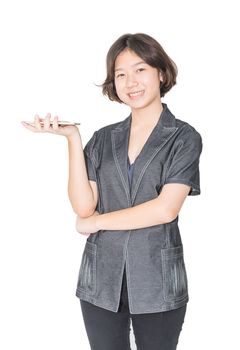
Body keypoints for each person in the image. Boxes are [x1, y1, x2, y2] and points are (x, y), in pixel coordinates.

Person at [22, 33, 202, 350]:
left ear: (161, 72)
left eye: (140, 69)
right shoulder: (104, 139)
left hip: (157, 279)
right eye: (120, 74)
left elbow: (165, 209)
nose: (130, 82)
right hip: (100, 280)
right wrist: (73, 139)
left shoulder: (183, 138)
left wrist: (97, 223)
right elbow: (84, 207)